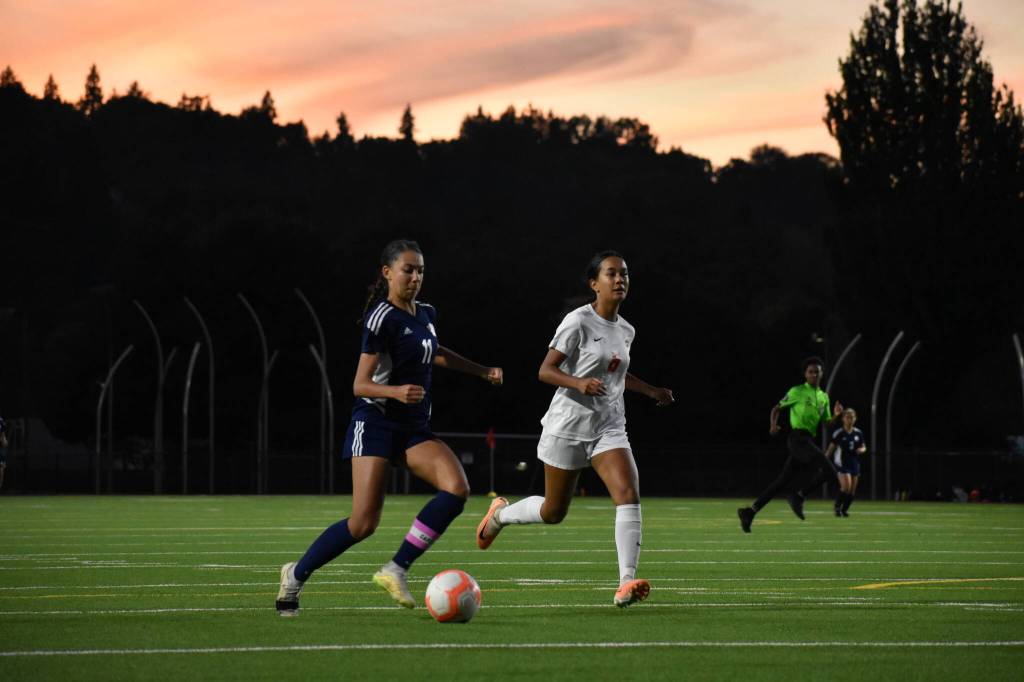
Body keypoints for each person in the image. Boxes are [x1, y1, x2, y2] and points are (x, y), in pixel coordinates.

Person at [276, 239, 503, 616]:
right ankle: (295, 576)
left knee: (457, 488)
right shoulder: (381, 318)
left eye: (420, 270)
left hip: (413, 427)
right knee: (363, 523)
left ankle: (396, 568)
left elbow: (437, 352)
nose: (415, 277)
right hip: (376, 423)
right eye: (407, 270)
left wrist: (482, 371)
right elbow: (359, 384)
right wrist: (395, 390)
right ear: (387, 273)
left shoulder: (426, 313)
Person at [476, 250, 674, 608]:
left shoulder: (626, 329)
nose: (620, 280)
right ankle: (500, 516)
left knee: (628, 493)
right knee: (554, 512)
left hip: (609, 426)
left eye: (624, 274)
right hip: (568, 425)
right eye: (611, 274)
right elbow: (545, 370)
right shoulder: (578, 321)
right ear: (593, 283)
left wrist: (650, 391)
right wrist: (578, 382)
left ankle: (625, 583)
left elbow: (616, 373)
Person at [737, 357, 842, 532]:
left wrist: (837, 416)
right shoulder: (797, 391)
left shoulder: (823, 397)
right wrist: (773, 425)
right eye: (811, 371)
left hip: (808, 440)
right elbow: (776, 408)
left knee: (781, 482)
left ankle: (750, 511)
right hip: (798, 439)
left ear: (822, 373)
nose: (814, 374)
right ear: (805, 374)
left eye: (817, 371)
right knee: (830, 471)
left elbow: (827, 423)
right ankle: (798, 496)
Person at [826, 408, 866, 517]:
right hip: (842, 463)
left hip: (854, 463)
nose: (850, 419)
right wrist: (824, 460)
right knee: (846, 487)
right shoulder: (839, 433)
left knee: (852, 491)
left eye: (852, 417)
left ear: (855, 418)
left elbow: (863, 446)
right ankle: (837, 507)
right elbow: (831, 448)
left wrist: (862, 450)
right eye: (847, 417)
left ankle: (844, 509)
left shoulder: (858, 432)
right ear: (843, 419)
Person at [0, 416, 8, 491]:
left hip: (0, 449)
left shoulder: (1, 421)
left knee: (2, 467)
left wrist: (4, 440)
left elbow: (3, 436)